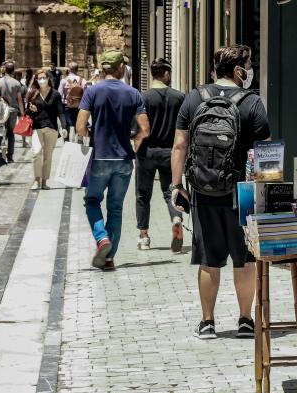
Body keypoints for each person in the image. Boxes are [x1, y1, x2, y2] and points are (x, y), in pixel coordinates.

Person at [170, 45, 270, 340]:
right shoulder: (251, 102)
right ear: (239, 70)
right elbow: (266, 151)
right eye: (249, 64)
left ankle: (207, 322)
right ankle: (245, 320)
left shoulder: (194, 97)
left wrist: (177, 186)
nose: (251, 69)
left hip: (203, 190)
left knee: (208, 258)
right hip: (243, 194)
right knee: (246, 259)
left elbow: (179, 145)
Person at [76, 49, 149, 271]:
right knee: (115, 208)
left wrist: (91, 133)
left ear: (103, 68)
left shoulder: (92, 92)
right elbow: (145, 129)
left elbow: (80, 127)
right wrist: (131, 137)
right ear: (120, 68)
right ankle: (109, 258)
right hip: (125, 158)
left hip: (99, 157)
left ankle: (102, 239)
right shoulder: (133, 93)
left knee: (92, 201)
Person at [136, 58, 185, 252]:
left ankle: (144, 236)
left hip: (147, 151)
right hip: (170, 152)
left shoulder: (143, 97)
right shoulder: (179, 97)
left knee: (142, 194)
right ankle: (176, 218)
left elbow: (139, 128)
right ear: (166, 74)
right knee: (170, 191)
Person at [26, 70, 67, 190]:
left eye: (44, 78)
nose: (42, 80)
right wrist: (31, 109)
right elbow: (27, 112)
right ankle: (36, 180)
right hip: (37, 127)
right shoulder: (34, 93)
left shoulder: (55, 94)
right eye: (39, 78)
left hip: (52, 128)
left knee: (48, 156)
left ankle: (44, 181)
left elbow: (61, 112)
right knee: (36, 153)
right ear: (36, 80)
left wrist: (64, 127)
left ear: (48, 78)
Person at [0, 61, 24, 163]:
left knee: (1, 132)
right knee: (11, 134)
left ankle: (1, 154)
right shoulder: (16, 83)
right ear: (13, 71)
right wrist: (22, 112)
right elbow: (19, 99)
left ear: (5, 70)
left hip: (1, 110)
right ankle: (10, 156)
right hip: (13, 110)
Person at [58, 62, 86, 135]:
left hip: (67, 105)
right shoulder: (83, 80)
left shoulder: (64, 81)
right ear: (77, 69)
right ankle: (79, 142)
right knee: (79, 124)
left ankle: (66, 142)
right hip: (79, 106)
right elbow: (85, 95)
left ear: (69, 69)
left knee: (66, 125)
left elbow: (59, 95)